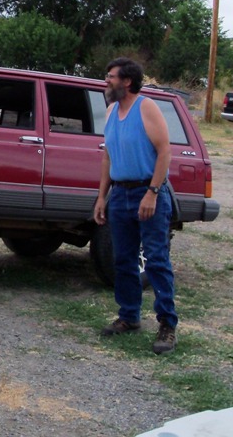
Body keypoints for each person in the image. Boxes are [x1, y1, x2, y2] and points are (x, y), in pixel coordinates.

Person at [93, 57, 177, 355]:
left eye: (111, 76)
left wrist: (153, 193)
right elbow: (107, 157)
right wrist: (102, 197)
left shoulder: (146, 107)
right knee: (123, 259)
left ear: (127, 81)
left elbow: (164, 151)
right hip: (120, 195)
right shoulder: (112, 110)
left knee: (155, 259)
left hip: (147, 191)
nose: (106, 80)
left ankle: (167, 325)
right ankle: (129, 316)